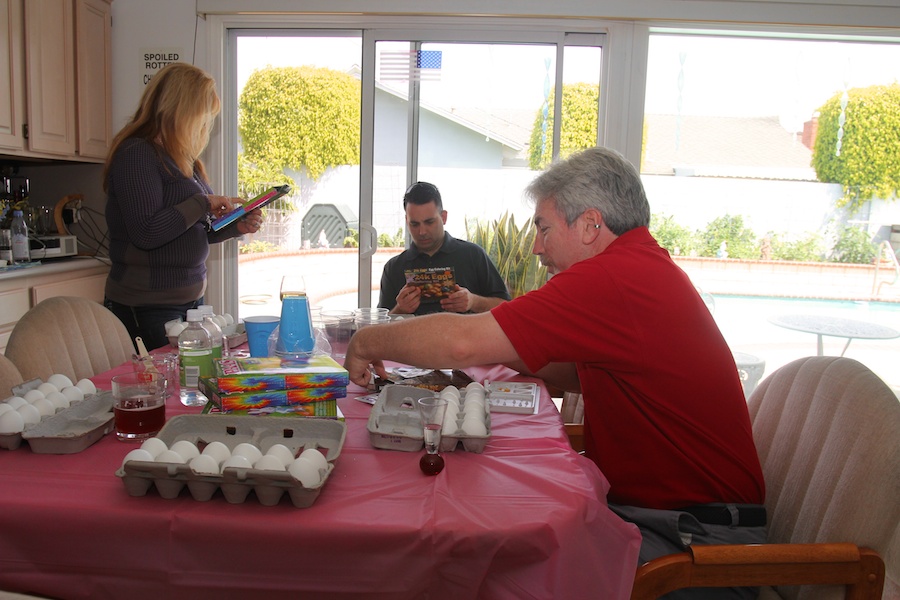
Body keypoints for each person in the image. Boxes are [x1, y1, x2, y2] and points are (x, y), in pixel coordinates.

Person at [348, 147, 766, 599]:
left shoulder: (613, 278)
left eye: (544, 229)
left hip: (695, 548)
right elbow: (569, 375)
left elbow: (462, 341)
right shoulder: (638, 266)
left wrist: (367, 340)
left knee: (482, 572)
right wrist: (511, 344)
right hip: (670, 518)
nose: (535, 247)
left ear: (590, 225)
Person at [102, 62, 264, 350]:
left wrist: (235, 225)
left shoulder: (185, 160)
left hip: (188, 305)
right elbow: (147, 232)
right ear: (180, 110)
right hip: (147, 308)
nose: (203, 125)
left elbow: (196, 228)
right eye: (201, 116)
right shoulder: (136, 154)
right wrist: (202, 202)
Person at [378, 181, 510, 315]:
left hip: (466, 335)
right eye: (414, 224)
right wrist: (400, 310)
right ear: (407, 221)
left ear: (444, 217)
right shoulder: (394, 267)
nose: (422, 231)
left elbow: (506, 307)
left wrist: (474, 302)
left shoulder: (473, 255)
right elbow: (380, 327)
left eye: (429, 222)